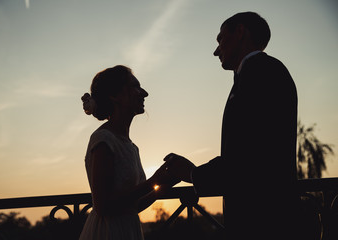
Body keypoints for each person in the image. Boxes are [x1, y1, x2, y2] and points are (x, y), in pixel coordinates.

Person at [164, 12, 300, 240]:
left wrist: (192, 173)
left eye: (220, 39)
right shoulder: (258, 73)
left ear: (240, 32)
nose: (216, 50)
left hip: (263, 220)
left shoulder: (263, 74)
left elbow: (249, 155)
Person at [79, 65, 178, 240]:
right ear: (115, 95)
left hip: (127, 231)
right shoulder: (103, 139)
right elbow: (103, 206)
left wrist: (166, 183)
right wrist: (152, 181)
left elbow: (133, 205)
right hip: (108, 233)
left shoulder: (130, 146)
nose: (144, 93)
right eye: (135, 87)